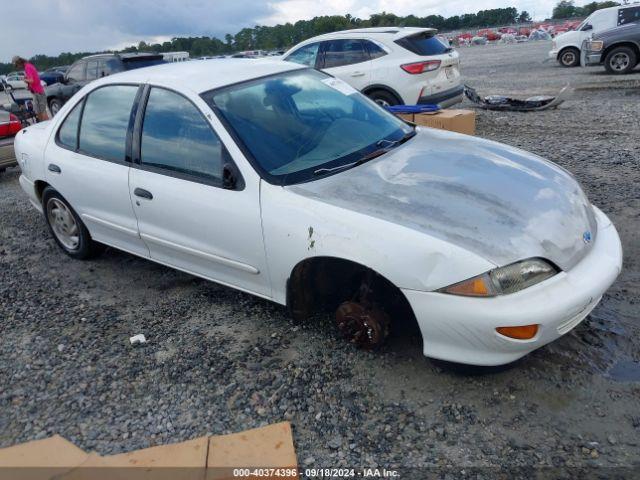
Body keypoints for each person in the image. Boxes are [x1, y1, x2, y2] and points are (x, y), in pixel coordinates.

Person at [12, 56, 49, 122]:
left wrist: (25, 80)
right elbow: (34, 80)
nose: (18, 68)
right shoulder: (29, 65)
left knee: (42, 112)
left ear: (19, 63)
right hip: (37, 91)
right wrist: (29, 86)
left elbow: (31, 80)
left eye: (17, 66)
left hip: (38, 92)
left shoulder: (27, 67)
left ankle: (47, 126)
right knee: (38, 112)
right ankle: (42, 126)